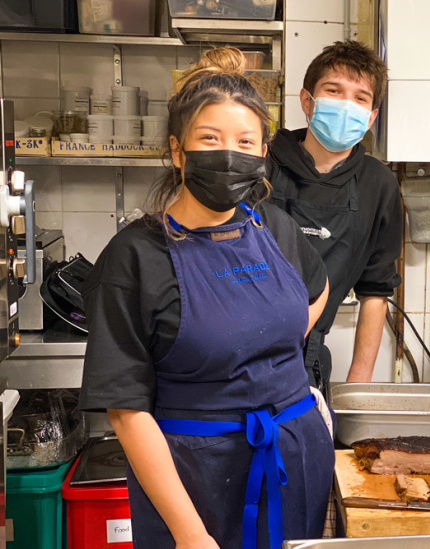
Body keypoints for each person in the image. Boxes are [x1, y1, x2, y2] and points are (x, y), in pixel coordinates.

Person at [79, 47, 334, 549]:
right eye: (209, 139)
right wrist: (190, 534)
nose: (229, 154)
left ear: (263, 154)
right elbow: (126, 412)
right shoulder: (133, 257)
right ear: (178, 152)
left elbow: (318, 289)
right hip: (193, 479)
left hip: (294, 457)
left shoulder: (274, 227)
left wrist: (269, 355)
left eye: (245, 141)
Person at [266, 41, 402, 392]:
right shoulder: (262, 166)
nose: (346, 105)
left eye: (360, 98)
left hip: (308, 364)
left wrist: (358, 387)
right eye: (333, 90)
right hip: (234, 356)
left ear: (371, 116)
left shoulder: (378, 183)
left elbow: (376, 290)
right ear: (307, 101)